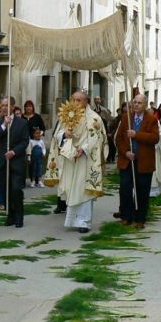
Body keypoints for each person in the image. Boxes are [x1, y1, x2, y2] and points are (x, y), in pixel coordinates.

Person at [46, 91, 106, 233]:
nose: (76, 102)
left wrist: (84, 149)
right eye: (73, 99)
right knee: (72, 189)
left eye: (79, 100)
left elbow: (98, 138)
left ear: (86, 102)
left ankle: (84, 222)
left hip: (85, 160)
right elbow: (57, 136)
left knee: (83, 191)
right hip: (69, 158)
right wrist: (64, 135)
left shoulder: (94, 119)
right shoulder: (66, 116)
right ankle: (72, 220)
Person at [116, 94, 159, 228]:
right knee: (125, 188)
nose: (136, 105)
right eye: (134, 102)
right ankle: (126, 215)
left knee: (142, 190)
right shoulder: (126, 118)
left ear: (145, 105)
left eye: (139, 103)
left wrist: (136, 135)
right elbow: (119, 139)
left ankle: (140, 218)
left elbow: (154, 138)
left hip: (143, 161)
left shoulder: (151, 119)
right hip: (127, 160)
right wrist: (126, 152)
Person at [0, 97, 29, 228]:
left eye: (6, 105)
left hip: (16, 161)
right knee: (5, 190)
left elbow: (25, 141)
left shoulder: (22, 123)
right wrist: (4, 125)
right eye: (2, 105)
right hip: (3, 161)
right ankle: (11, 215)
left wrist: (14, 152)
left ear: (13, 107)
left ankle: (19, 216)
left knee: (15, 189)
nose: (3, 107)